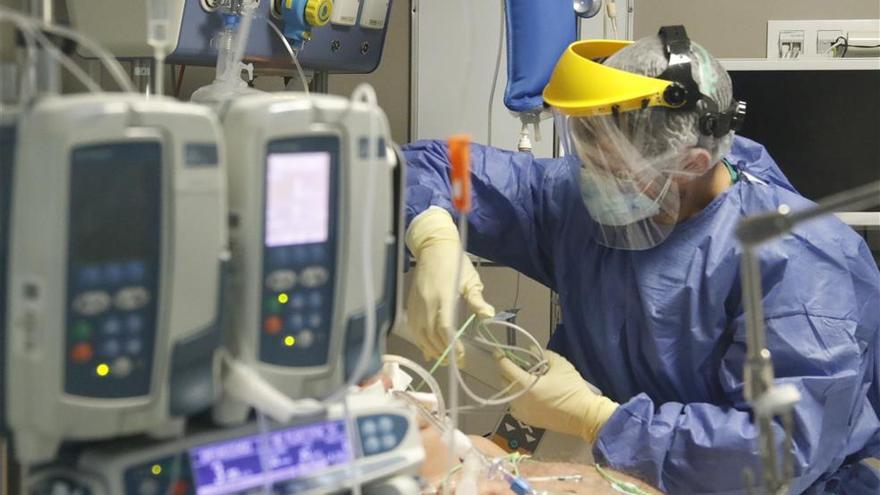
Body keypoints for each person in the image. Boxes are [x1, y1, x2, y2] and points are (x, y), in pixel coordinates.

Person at [402, 26, 880, 494]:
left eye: (612, 169)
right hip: (628, 469)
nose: (589, 181)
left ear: (692, 162)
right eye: (587, 159)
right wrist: (432, 230)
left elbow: (780, 452)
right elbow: (440, 165)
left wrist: (598, 420)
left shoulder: (800, 260)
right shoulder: (575, 197)